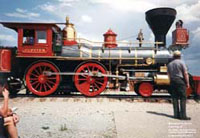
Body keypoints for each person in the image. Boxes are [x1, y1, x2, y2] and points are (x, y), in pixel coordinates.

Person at [167, 50, 191, 120]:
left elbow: (168, 74)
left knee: (174, 98)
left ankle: (176, 115)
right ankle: (183, 116)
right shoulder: (181, 63)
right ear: (180, 56)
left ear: (173, 56)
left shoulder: (169, 64)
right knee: (183, 98)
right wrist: (187, 83)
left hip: (172, 81)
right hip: (180, 81)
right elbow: (185, 73)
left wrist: (170, 81)